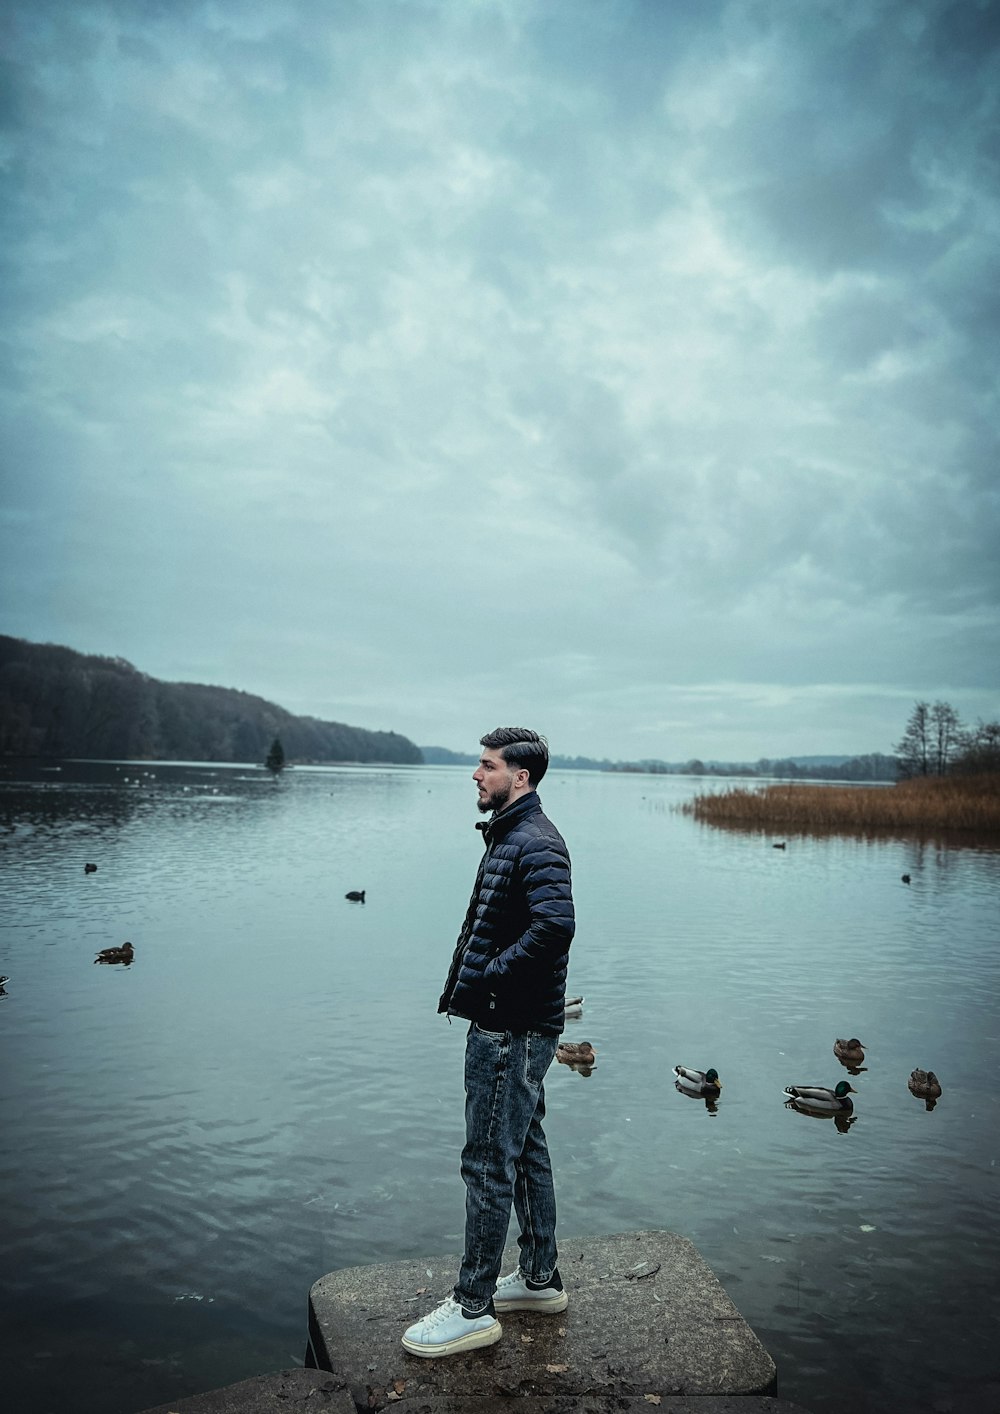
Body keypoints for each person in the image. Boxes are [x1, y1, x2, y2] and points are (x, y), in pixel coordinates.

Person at [401, 727, 576, 1358]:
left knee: (486, 1162)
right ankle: (538, 1277)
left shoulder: (534, 842)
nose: (476, 775)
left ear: (520, 777)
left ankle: (472, 1307)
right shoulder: (511, 835)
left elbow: (556, 926)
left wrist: (496, 976)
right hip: (514, 1025)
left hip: (510, 1029)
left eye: (487, 765)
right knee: (525, 1149)